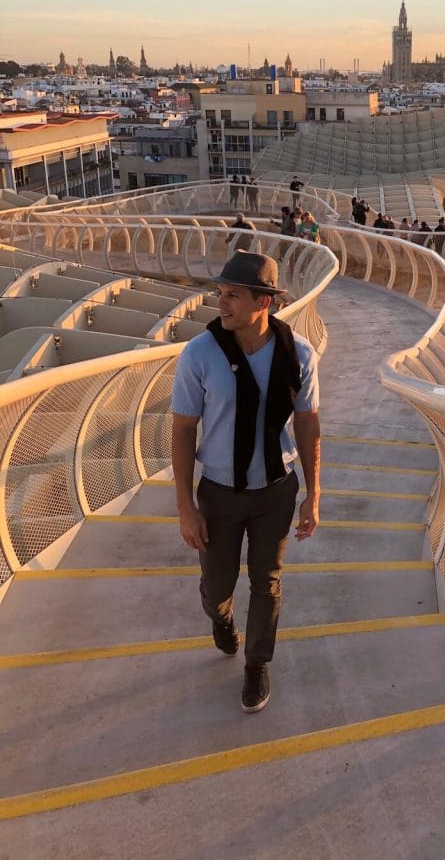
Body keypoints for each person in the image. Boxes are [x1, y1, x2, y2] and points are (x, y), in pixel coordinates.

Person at [172, 252, 320, 714]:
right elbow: (181, 430)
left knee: (266, 582)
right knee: (217, 585)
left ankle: (257, 663)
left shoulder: (298, 355)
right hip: (217, 491)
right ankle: (221, 618)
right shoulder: (200, 354)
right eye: (220, 293)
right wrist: (184, 506)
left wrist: (314, 494)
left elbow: (308, 426)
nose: (222, 303)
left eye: (233, 295)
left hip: (276, 489)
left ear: (265, 302)